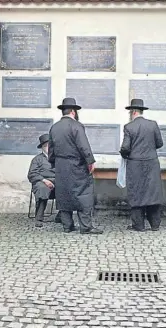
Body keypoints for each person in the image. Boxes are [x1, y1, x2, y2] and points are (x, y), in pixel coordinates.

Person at [48, 98, 102, 234]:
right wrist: (90, 161)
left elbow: (51, 150)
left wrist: (55, 163)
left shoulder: (54, 127)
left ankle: (67, 226)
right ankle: (86, 227)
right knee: (83, 193)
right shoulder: (77, 126)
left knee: (64, 194)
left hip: (61, 165)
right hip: (76, 165)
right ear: (73, 111)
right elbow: (83, 146)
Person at [120, 99, 164, 231]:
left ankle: (138, 225)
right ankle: (155, 224)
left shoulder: (129, 127)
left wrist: (124, 155)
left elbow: (125, 147)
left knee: (137, 193)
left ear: (133, 112)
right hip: (152, 163)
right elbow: (159, 143)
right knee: (153, 193)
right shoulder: (153, 125)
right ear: (141, 111)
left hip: (135, 165)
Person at [27, 134, 61, 227]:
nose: (48, 148)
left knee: (67, 187)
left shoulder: (58, 159)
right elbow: (32, 174)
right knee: (42, 189)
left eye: (50, 145)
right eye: (46, 146)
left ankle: (62, 215)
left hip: (57, 182)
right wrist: (44, 180)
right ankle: (39, 218)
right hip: (42, 182)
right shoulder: (37, 159)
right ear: (42, 147)